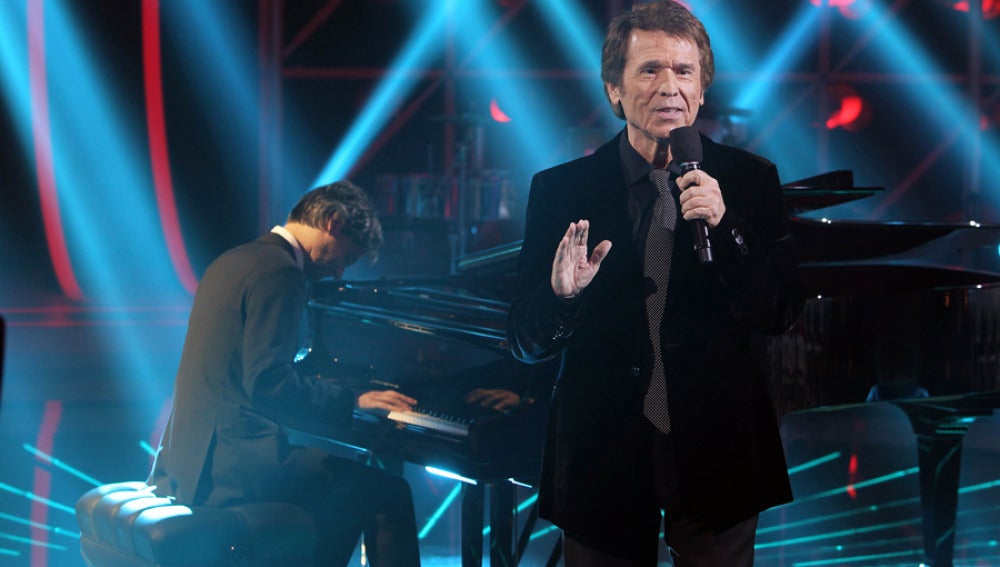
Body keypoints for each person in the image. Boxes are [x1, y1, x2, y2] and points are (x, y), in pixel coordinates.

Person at [507, 2, 804, 565]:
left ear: (702, 89)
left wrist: (727, 226)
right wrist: (562, 298)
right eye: (649, 70)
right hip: (601, 459)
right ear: (614, 91)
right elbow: (524, 339)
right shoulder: (561, 190)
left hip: (718, 452)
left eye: (684, 71)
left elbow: (783, 310)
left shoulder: (750, 180)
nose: (670, 86)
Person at [148, 181, 421, 567]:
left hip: (187, 461)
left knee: (341, 490)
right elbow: (268, 383)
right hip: (231, 466)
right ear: (333, 222)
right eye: (346, 256)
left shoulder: (233, 260)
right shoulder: (282, 273)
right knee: (388, 494)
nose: (339, 273)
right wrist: (354, 401)